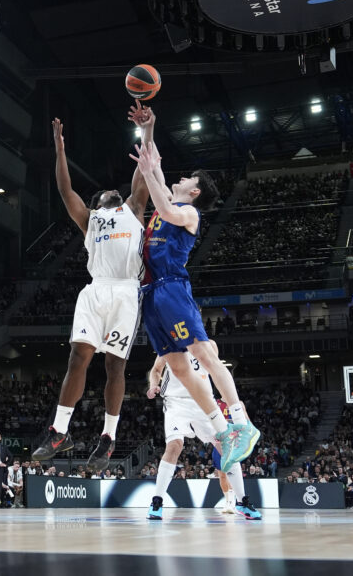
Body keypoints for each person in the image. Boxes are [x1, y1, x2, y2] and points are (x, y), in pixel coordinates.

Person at [32, 106, 154, 474]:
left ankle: (108, 436)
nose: (112, 192)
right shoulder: (90, 219)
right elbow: (64, 189)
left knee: (114, 366)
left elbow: (143, 171)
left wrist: (147, 131)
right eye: (104, 193)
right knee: (77, 357)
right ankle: (59, 431)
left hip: (125, 293)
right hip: (96, 291)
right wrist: (59, 149)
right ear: (98, 203)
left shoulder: (134, 208)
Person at [129, 141, 259, 470]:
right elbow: (155, 168)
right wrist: (148, 128)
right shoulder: (168, 202)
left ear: (196, 191)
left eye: (188, 177)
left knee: (203, 353)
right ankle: (222, 429)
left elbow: (165, 201)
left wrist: (150, 173)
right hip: (150, 295)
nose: (181, 177)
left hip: (172, 288)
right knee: (179, 367)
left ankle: (241, 421)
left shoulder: (188, 213)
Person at [144, 354, 260, 520]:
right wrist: (154, 385)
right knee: (175, 445)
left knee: (227, 446)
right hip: (176, 402)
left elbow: (218, 373)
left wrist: (228, 398)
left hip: (204, 401)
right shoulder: (168, 343)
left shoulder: (207, 344)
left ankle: (242, 501)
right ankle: (157, 502)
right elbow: (156, 369)